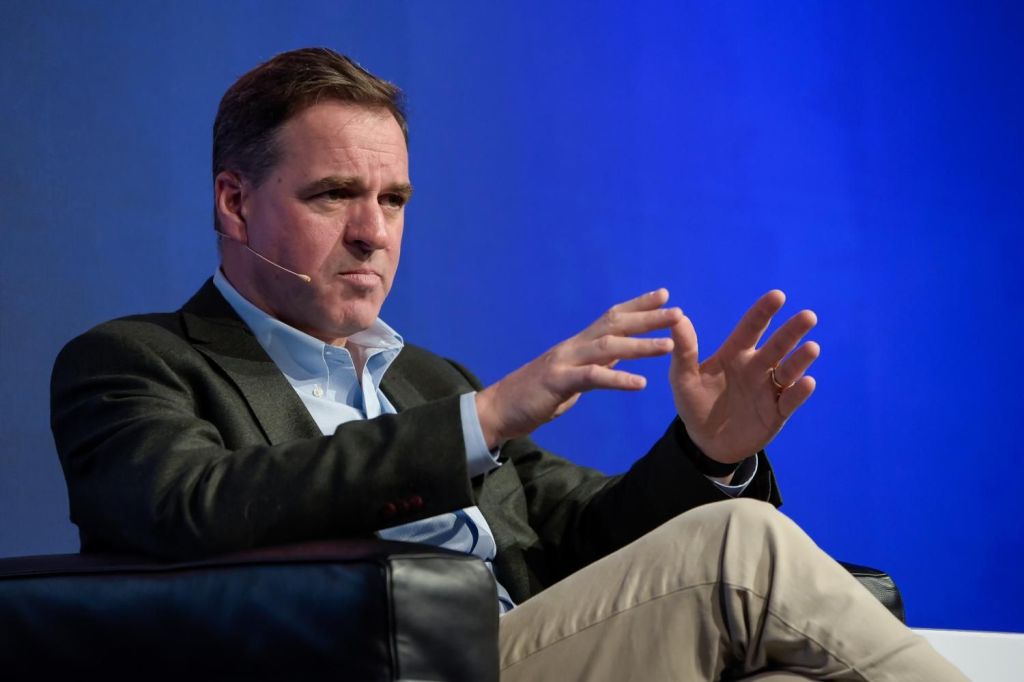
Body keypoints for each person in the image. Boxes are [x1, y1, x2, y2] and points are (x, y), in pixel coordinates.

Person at [50, 48, 965, 681]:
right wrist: (481, 421)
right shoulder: (135, 363)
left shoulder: (426, 381)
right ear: (235, 202)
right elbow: (193, 507)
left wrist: (706, 456)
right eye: (334, 194)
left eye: (394, 199)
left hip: (531, 651)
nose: (373, 231)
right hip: (385, 668)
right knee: (741, 547)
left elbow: (585, 541)